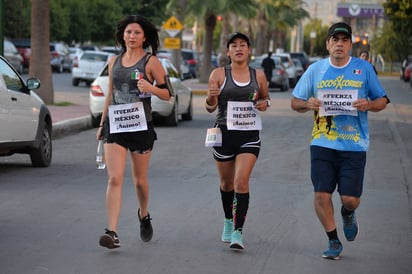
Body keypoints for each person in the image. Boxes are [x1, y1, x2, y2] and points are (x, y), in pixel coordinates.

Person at [291, 22, 389, 260]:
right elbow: (295, 102)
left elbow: (383, 100)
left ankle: (347, 212)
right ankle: (333, 240)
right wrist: (307, 104)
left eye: (344, 40)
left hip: (354, 145)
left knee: (351, 199)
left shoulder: (364, 69)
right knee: (321, 195)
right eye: (335, 40)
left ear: (350, 45)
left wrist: (369, 104)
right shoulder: (315, 70)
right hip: (322, 142)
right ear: (328, 44)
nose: (339, 44)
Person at [96, 14, 171, 249]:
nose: (132, 36)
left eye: (137, 32)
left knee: (139, 181)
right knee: (115, 177)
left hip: (140, 126)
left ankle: (144, 214)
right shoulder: (113, 61)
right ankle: (112, 232)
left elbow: (168, 94)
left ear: (144, 37)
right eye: (128, 32)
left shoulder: (151, 62)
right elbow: (110, 93)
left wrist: (151, 88)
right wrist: (102, 124)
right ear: (123, 35)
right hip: (116, 125)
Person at [205, 32, 270, 250]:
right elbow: (209, 107)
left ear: (249, 50)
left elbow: (264, 98)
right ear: (228, 51)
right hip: (224, 133)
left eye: (243, 45)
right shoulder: (218, 74)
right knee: (226, 183)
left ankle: (238, 232)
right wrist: (212, 95)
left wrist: (264, 104)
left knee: (241, 181)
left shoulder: (258, 75)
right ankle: (227, 220)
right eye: (234, 45)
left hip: (249, 135)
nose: (239, 48)